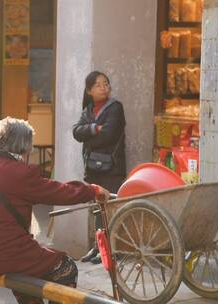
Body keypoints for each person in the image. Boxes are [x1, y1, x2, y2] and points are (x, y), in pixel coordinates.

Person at [0, 117, 110, 304]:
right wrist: (92, 190)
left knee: (29, 273)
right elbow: (61, 192)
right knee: (66, 267)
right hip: (3, 255)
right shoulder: (19, 172)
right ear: (25, 146)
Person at [73, 71, 126, 264]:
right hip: (93, 168)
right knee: (97, 209)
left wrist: (88, 136)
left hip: (112, 168)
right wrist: (94, 129)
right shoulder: (87, 110)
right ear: (89, 90)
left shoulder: (115, 108)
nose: (104, 87)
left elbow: (109, 136)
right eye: (98, 85)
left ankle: (113, 249)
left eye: (106, 84)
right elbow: (76, 132)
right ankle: (97, 248)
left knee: (110, 208)